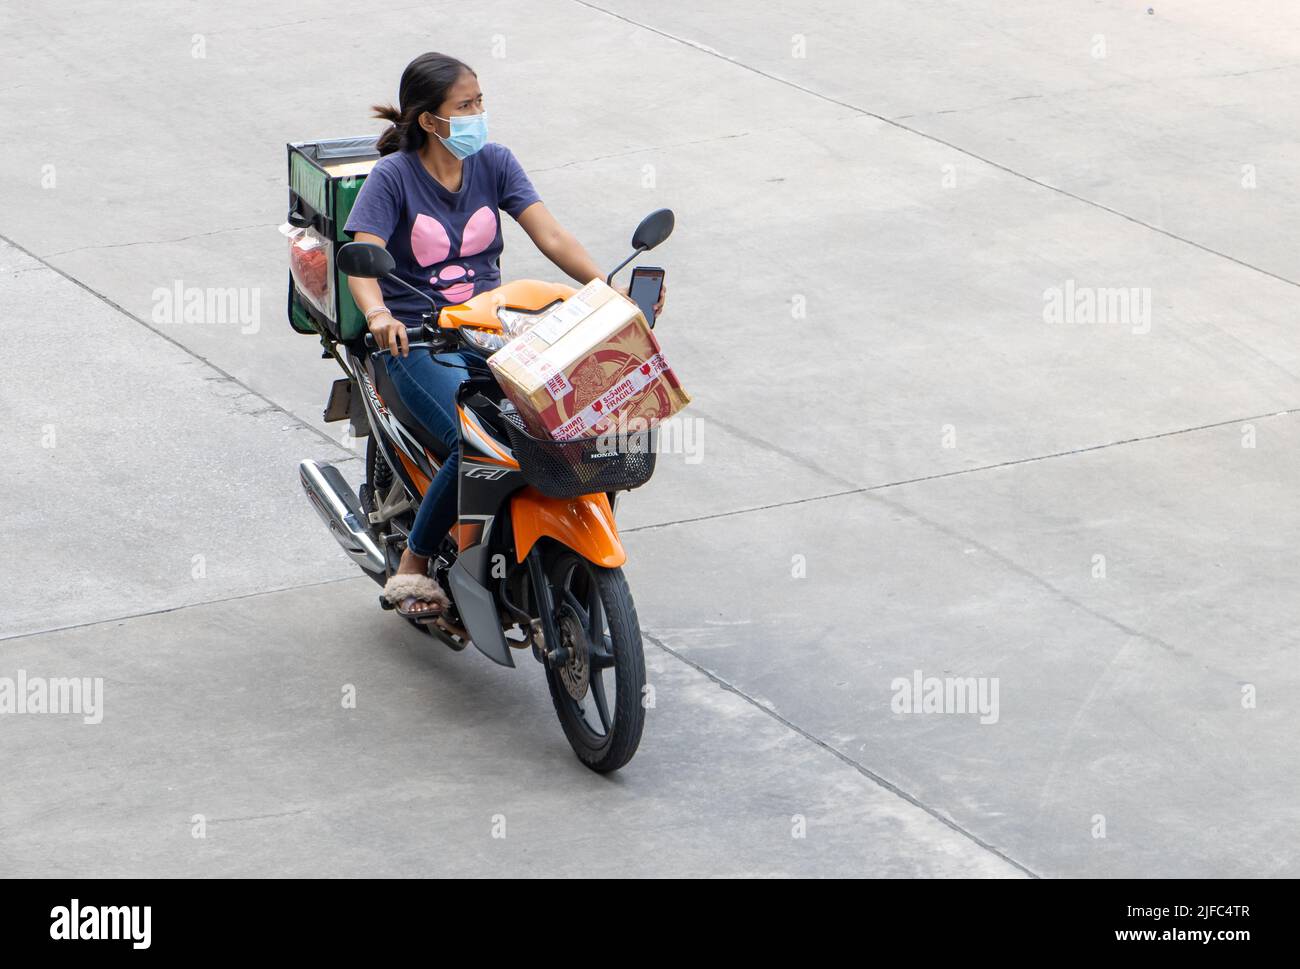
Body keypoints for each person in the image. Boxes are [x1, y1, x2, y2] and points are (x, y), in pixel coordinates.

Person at [345, 52, 664, 622]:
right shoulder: (393, 176)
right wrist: (378, 317)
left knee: (573, 420)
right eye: (465, 106)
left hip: (495, 330)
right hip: (416, 341)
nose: (478, 114)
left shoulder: (494, 162)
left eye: (480, 102)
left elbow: (551, 234)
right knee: (478, 442)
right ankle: (413, 565)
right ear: (430, 120)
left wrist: (603, 289)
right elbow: (362, 261)